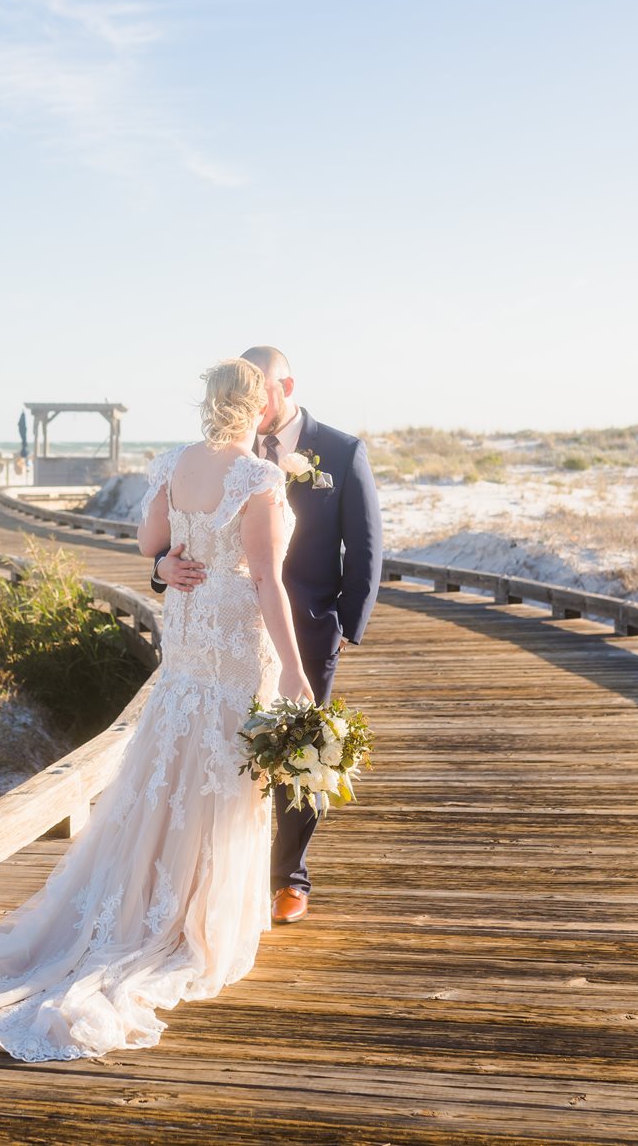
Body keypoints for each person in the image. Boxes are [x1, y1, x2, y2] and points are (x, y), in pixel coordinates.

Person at [0, 357, 309, 1061]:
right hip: (229, 649)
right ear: (258, 410)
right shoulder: (258, 478)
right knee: (219, 781)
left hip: (189, 645)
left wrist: (165, 568)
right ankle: (192, 925)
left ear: (208, 403)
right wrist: (295, 669)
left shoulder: (175, 462)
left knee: (169, 775)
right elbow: (267, 582)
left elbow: (148, 545)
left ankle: (149, 908)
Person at [149, 345, 383, 925]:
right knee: (228, 759)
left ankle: (289, 879)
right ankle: (221, 887)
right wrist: (160, 568)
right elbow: (183, 546)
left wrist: (344, 628)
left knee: (299, 757)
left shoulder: (342, 450)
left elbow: (367, 544)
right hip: (237, 633)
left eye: (269, 384)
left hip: (306, 626)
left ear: (287, 385)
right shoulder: (237, 462)